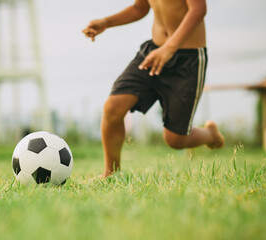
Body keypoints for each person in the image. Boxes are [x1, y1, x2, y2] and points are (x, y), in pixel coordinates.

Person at [82, 0, 225, 178]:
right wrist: (106, 22)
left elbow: (198, 9)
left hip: (187, 60)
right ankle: (111, 174)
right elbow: (140, 8)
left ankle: (210, 134)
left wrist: (169, 48)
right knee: (113, 106)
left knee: (175, 139)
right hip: (154, 52)